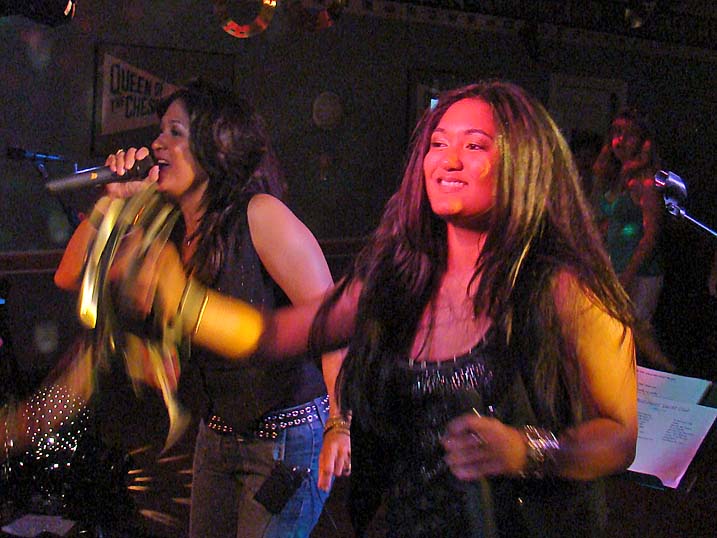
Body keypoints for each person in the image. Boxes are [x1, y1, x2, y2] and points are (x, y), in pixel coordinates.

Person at [114, 80, 638, 537]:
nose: (448, 159)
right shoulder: (399, 275)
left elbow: (619, 436)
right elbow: (275, 335)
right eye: (438, 143)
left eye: (475, 145)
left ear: (525, 163)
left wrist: (527, 451)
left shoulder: (563, 288)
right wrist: (182, 299)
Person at [54, 79, 349, 538]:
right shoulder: (166, 224)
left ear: (217, 146)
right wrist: (111, 200)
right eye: (160, 131)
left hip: (288, 439)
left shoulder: (260, 215)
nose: (157, 143)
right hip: (217, 433)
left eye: (175, 132)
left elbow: (331, 324)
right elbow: (70, 274)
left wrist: (339, 423)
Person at [592, 107, 674, 371]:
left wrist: (627, 274)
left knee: (638, 333)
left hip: (642, 272)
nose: (620, 140)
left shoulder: (646, 181)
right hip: (617, 266)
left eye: (629, 134)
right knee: (617, 333)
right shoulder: (618, 176)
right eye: (616, 132)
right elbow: (606, 220)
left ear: (642, 140)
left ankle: (671, 376)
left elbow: (651, 235)